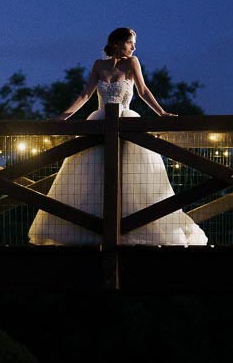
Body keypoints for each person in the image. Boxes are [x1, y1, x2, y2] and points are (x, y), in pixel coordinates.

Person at [27, 27, 207, 246]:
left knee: (130, 176)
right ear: (116, 43)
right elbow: (85, 94)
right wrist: (62, 118)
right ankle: (92, 230)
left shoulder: (132, 63)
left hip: (126, 123)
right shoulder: (99, 65)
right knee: (93, 175)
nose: (134, 47)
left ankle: (132, 228)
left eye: (134, 43)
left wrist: (162, 113)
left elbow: (143, 91)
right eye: (130, 42)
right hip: (100, 123)